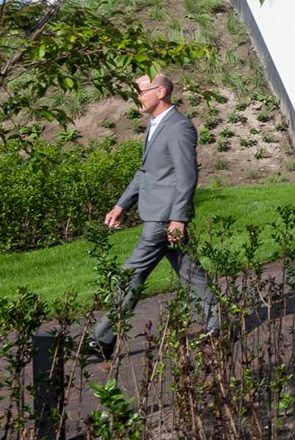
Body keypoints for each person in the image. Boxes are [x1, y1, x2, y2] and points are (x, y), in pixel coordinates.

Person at [85, 73, 222, 358]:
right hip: (159, 213)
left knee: (130, 275)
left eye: (140, 92)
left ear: (160, 92)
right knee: (188, 270)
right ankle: (218, 322)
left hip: (163, 218)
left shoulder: (179, 127)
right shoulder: (155, 125)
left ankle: (101, 338)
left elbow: (186, 176)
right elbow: (147, 172)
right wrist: (122, 204)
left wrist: (178, 219)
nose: (136, 98)